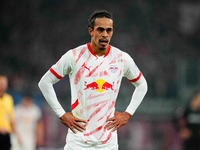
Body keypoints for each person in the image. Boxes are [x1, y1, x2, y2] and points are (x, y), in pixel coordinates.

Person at [38, 10, 148, 150]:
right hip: (78, 142)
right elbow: (44, 83)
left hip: (108, 143)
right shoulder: (74, 56)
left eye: (109, 30)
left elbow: (142, 85)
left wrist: (128, 114)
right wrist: (61, 114)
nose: (105, 34)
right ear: (91, 31)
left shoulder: (121, 58)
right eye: (100, 30)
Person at [0, 75, 20, 150]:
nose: (3, 85)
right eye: (1, 83)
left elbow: (11, 118)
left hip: (6, 134)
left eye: (4, 83)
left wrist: (17, 134)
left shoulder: (9, 99)